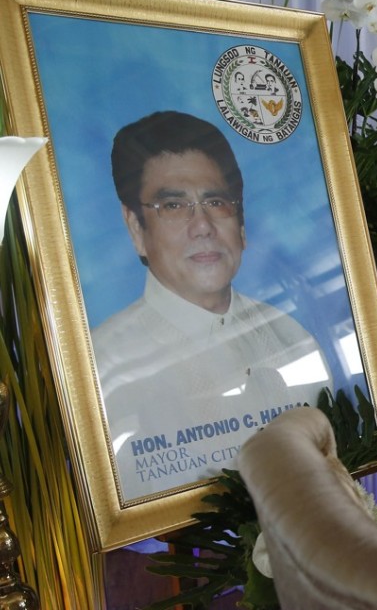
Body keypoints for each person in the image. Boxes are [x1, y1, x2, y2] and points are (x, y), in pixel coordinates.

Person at [92, 110, 333, 502]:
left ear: (240, 223)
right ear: (136, 228)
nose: (202, 225)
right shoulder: (104, 368)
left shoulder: (292, 339)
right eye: (173, 206)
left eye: (216, 201)